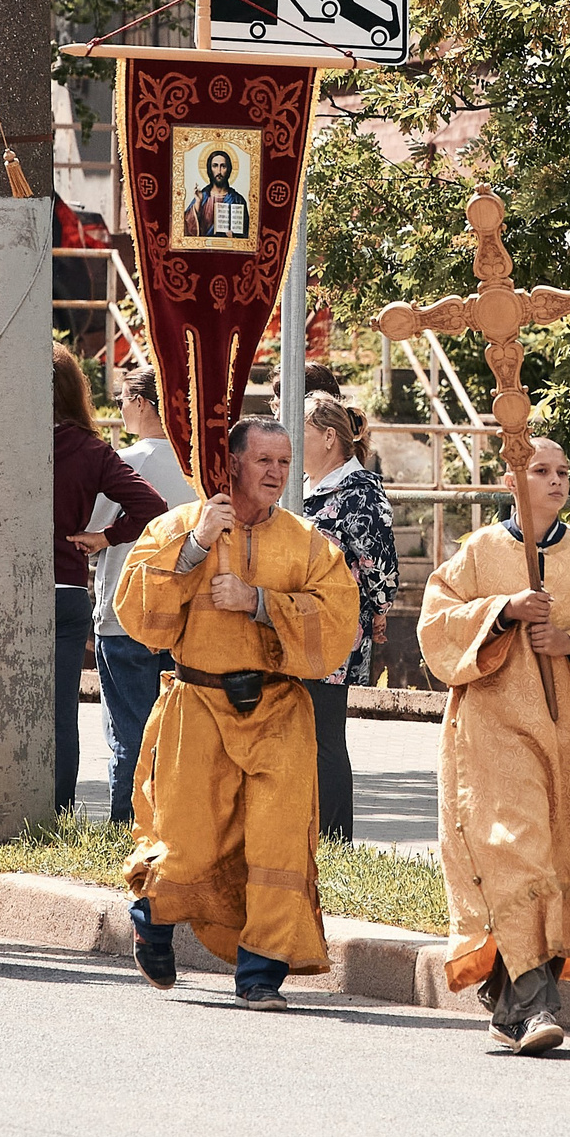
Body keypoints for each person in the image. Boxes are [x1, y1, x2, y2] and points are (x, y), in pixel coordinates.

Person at [418, 437, 570, 1054]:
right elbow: (435, 624)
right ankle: (533, 1007)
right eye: (540, 471)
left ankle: (508, 989)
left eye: (562, 472)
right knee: (516, 851)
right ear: (513, 481)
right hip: (496, 731)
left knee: (569, 856)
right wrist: (503, 611)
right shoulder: (479, 552)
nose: (555, 481)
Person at [115, 417, 358, 1010]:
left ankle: (260, 974)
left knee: (277, 847)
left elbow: (339, 622)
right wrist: (196, 548)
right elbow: (137, 614)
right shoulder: (178, 527)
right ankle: (153, 916)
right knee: (187, 841)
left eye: (284, 461)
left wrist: (261, 603)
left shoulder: (308, 543)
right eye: (263, 461)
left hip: (278, 709)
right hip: (196, 703)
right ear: (233, 464)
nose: (276, 473)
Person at [52, 344, 166, 815]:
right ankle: (58, 810)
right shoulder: (90, 449)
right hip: (65, 588)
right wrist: (104, 536)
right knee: (61, 714)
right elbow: (151, 507)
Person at [89, 366, 194, 824]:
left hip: (127, 608)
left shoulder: (128, 461)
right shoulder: (200, 466)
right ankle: (175, 822)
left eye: (122, 401)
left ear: (143, 403)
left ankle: (126, 823)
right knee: (179, 732)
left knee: (129, 729)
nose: (121, 410)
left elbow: (90, 527)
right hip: (185, 611)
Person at [298, 389, 396, 842]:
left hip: (333, 626)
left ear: (330, 438)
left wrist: (377, 613)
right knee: (299, 733)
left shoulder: (360, 492)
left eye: (302, 430)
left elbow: (381, 569)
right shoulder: (303, 487)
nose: (292, 441)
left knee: (324, 737)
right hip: (293, 620)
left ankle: (335, 840)